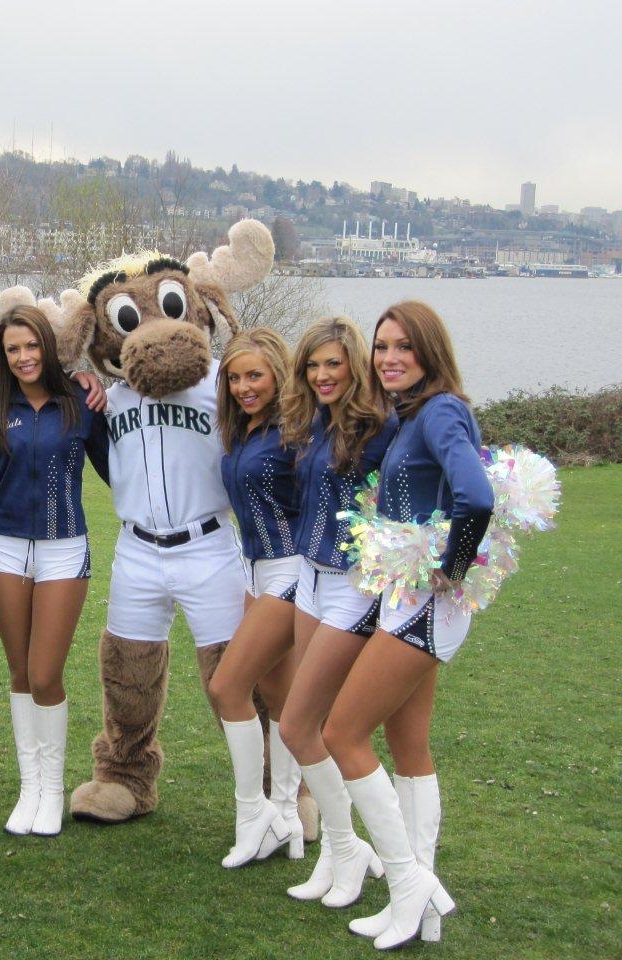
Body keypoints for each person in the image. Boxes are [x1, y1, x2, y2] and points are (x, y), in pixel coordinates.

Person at [320, 302, 491, 949]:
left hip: (425, 603)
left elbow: (475, 495)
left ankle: (406, 880)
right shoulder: (412, 414)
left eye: (404, 348)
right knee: (409, 746)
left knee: (342, 730)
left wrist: (452, 565)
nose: (389, 358)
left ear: (429, 353)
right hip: (410, 600)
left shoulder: (442, 409)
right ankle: (418, 904)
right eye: (382, 347)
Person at [276, 316, 399, 908]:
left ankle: (349, 849)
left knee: (303, 726)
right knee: (305, 723)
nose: (322, 375)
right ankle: (338, 851)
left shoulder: (380, 428)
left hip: (353, 585)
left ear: (355, 364)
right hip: (308, 576)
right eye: (313, 365)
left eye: (333, 363)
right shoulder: (314, 423)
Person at [0, 304, 109, 837]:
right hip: (5, 547)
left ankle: (52, 790)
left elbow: (119, 466)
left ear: (48, 348)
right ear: (3, 355)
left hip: (64, 549)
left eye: (32, 345)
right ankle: (28, 788)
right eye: (13, 349)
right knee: (18, 673)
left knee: (45, 674)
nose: (24, 356)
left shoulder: (81, 400)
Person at [207, 327, 304, 867]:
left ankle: (255, 814)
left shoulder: (297, 430)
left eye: (255, 376)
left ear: (278, 376)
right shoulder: (242, 430)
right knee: (283, 702)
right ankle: (286, 814)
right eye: (235, 377)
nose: (244, 387)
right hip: (254, 570)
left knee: (227, 688)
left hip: (290, 570)